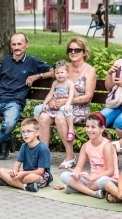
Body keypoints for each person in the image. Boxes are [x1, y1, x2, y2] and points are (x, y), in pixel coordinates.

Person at [0, 33, 53, 160]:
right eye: (14, 44)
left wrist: (37, 76)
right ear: (11, 45)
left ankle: (1, 142)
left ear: (26, 45)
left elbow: (53, 72)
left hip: (14, 102)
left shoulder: (32, 62)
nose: (16, 47)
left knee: (8, 124)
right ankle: (1, 141)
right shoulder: (5, 61)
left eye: (19, 44)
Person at [36, 37, 96, 170]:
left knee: (60, 118)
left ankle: (70, 156)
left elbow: (88, 96)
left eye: (77, 50)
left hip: (78, 108)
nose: (73, 52)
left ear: (84, 52)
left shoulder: (89, 70)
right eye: (70, 49)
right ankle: (43, 155)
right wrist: (51, 100)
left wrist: (67, 101)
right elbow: (51, 79)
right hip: (58, 106)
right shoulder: (64, 67)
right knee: (44, 117)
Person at [58, 112, 118, 198]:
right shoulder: (85, 146)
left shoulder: (106, 146)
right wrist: (76, 173)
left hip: (108, 180)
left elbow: (110, 172)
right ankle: (93, 193)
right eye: (87, 126)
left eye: (93, 127)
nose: (89, 130)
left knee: (104, 181)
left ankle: (78, 189)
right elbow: (79, 167)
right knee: (64, 175)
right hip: (92, 180)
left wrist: (91, 178)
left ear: (102, 128)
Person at [0, 118, 52, 192]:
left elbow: (40, 171)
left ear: (37, 133)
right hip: (25, 173)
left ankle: (9, 182)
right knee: (1, 171)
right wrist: (14, 171)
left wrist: (22, 173)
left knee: (31, 177)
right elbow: (17, 164)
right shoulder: (24, 146)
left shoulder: (43, 149)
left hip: (39, 176)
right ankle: (24, 186)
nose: (25, 134)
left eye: (28, 131)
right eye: (23, 132)